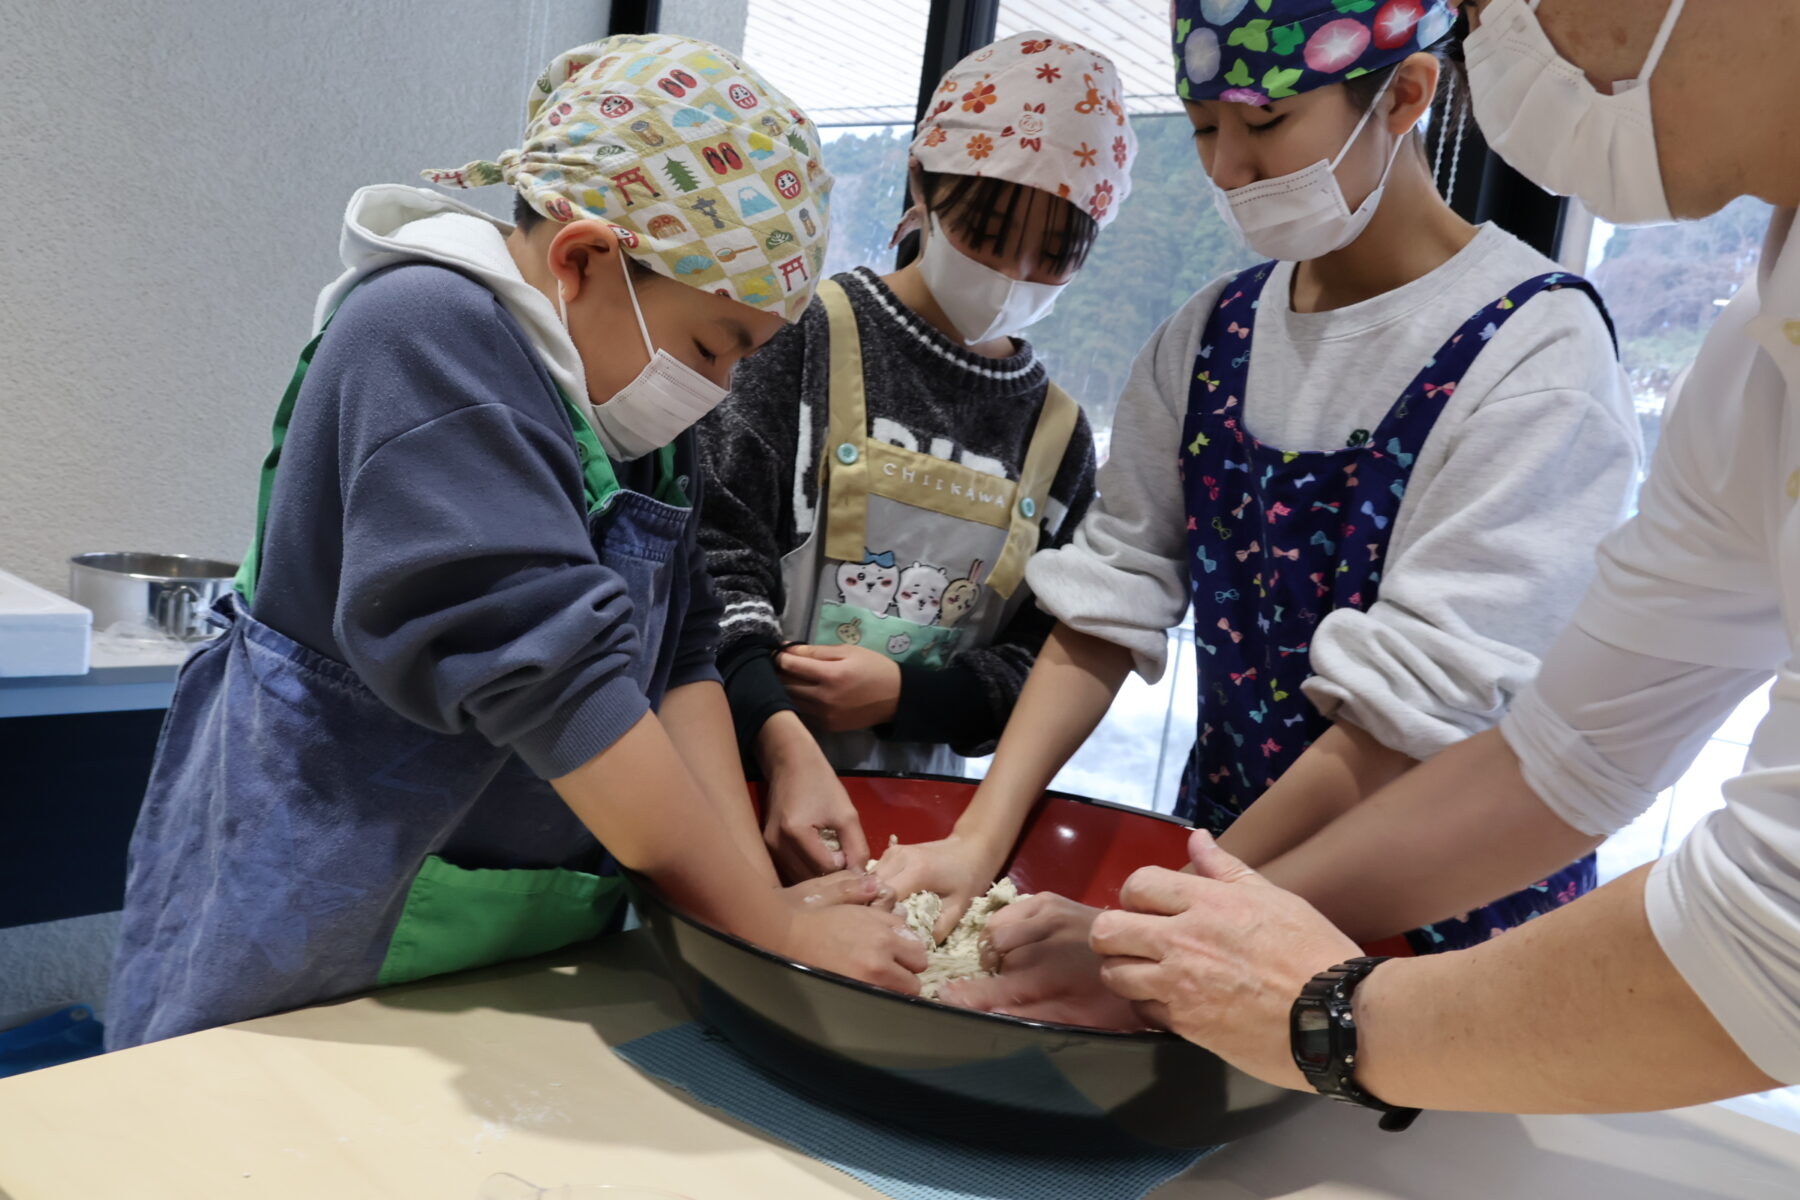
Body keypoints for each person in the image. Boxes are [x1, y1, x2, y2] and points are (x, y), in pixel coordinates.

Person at [106, 34, 925, 1050]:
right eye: (715, 346)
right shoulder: (424, 336)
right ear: (584, 259)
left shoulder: (631, 423)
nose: (716, 390)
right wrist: (760, 928)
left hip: (506, 939)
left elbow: (681, 662)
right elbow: (560, 684)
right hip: (315, 928)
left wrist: (751, 893)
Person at [1074, 0, 1800, 1117]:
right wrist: (1186, 935)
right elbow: (1568, 761)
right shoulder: (1762, 346)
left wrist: (1320, 1015)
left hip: (1472, 969)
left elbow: (1774, 934)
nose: (1499, 36)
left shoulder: (1537, 345)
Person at [878, 0, 1641, 986]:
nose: (1227, 169)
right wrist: (980, 838)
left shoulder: (1535, 354)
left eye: (1267, 123)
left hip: (1438, 922)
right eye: (1203, 126)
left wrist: (1153, 926)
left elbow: (1410, 714)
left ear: (1406, 94)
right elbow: (1111, 596)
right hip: (1224, 857)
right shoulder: (1210, 338)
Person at [697, 32, 1135, 881]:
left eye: (1054, 254)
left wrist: (910, 697)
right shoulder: (803, 339)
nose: (1012, 272)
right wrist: (772, 718)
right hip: (740, 770)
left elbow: (1040, 662)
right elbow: (715, 550)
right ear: (923, 184)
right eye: (989, 230)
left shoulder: (1059, 436)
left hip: (925, 829)